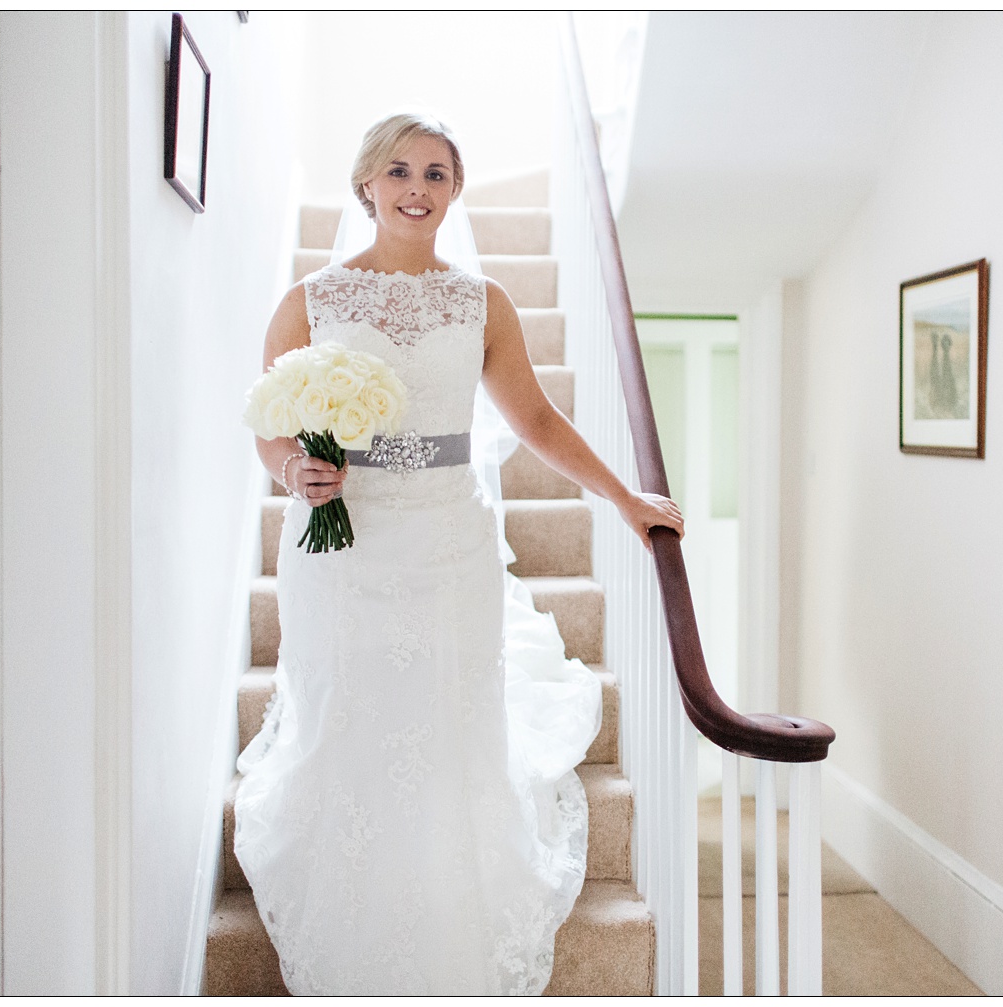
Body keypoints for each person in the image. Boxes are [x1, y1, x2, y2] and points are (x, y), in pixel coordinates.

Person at [233, 111, 684, 996]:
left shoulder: (484, 304)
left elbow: (539, 422)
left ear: (455, 192)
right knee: (348, 711)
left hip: (448, 539)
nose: (416, 188)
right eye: (399, 171)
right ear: (365, 184)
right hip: (345, 546)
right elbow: (269, 428)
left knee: (446, 714)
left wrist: (625, 500)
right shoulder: (312, 300)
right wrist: (295, 467)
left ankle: (453, 900)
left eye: (436, 174)